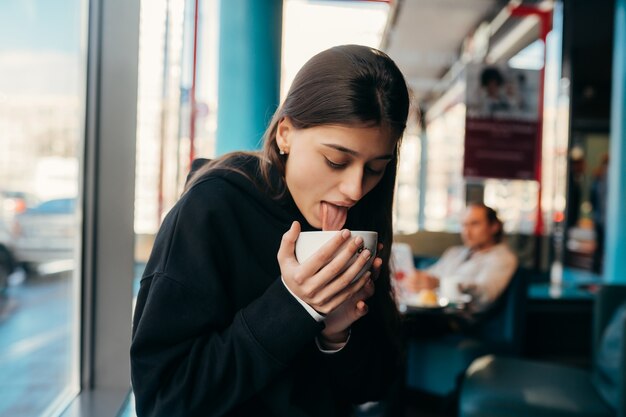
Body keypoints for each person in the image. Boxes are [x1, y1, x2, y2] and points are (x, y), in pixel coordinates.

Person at [130, 44, 410, 417]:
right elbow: (165, 400)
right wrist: (295, 306)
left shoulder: (362, 217)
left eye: (375, 168)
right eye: (336, 160)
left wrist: (336, 335)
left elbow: (371, 388)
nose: (355, 189)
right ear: (285, 134)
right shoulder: (212, 211)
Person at [405, 203, 518, 313]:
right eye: (464, 225)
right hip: (433, 311)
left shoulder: (503, 258)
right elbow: (431, 275)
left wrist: (440, 283)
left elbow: (485, 294)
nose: (466, 232)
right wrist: (418, 279)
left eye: (474, 224)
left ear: (494, 227)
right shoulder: (454, 252)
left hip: (460, 319)